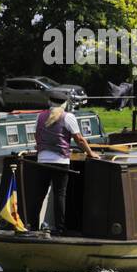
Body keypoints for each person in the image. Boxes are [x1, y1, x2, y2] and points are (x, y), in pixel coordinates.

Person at [31, 91, 99, 234]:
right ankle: (60, 228)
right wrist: (90, 153)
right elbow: (79, 139)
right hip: (60, 161)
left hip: (42, 160)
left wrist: (41, 150)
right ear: (65, 104)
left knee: (39, 194)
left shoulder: (40, 116)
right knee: (59, 195)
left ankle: (32, 226)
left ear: (49, 102)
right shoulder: (68, 117)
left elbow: (37, 136)